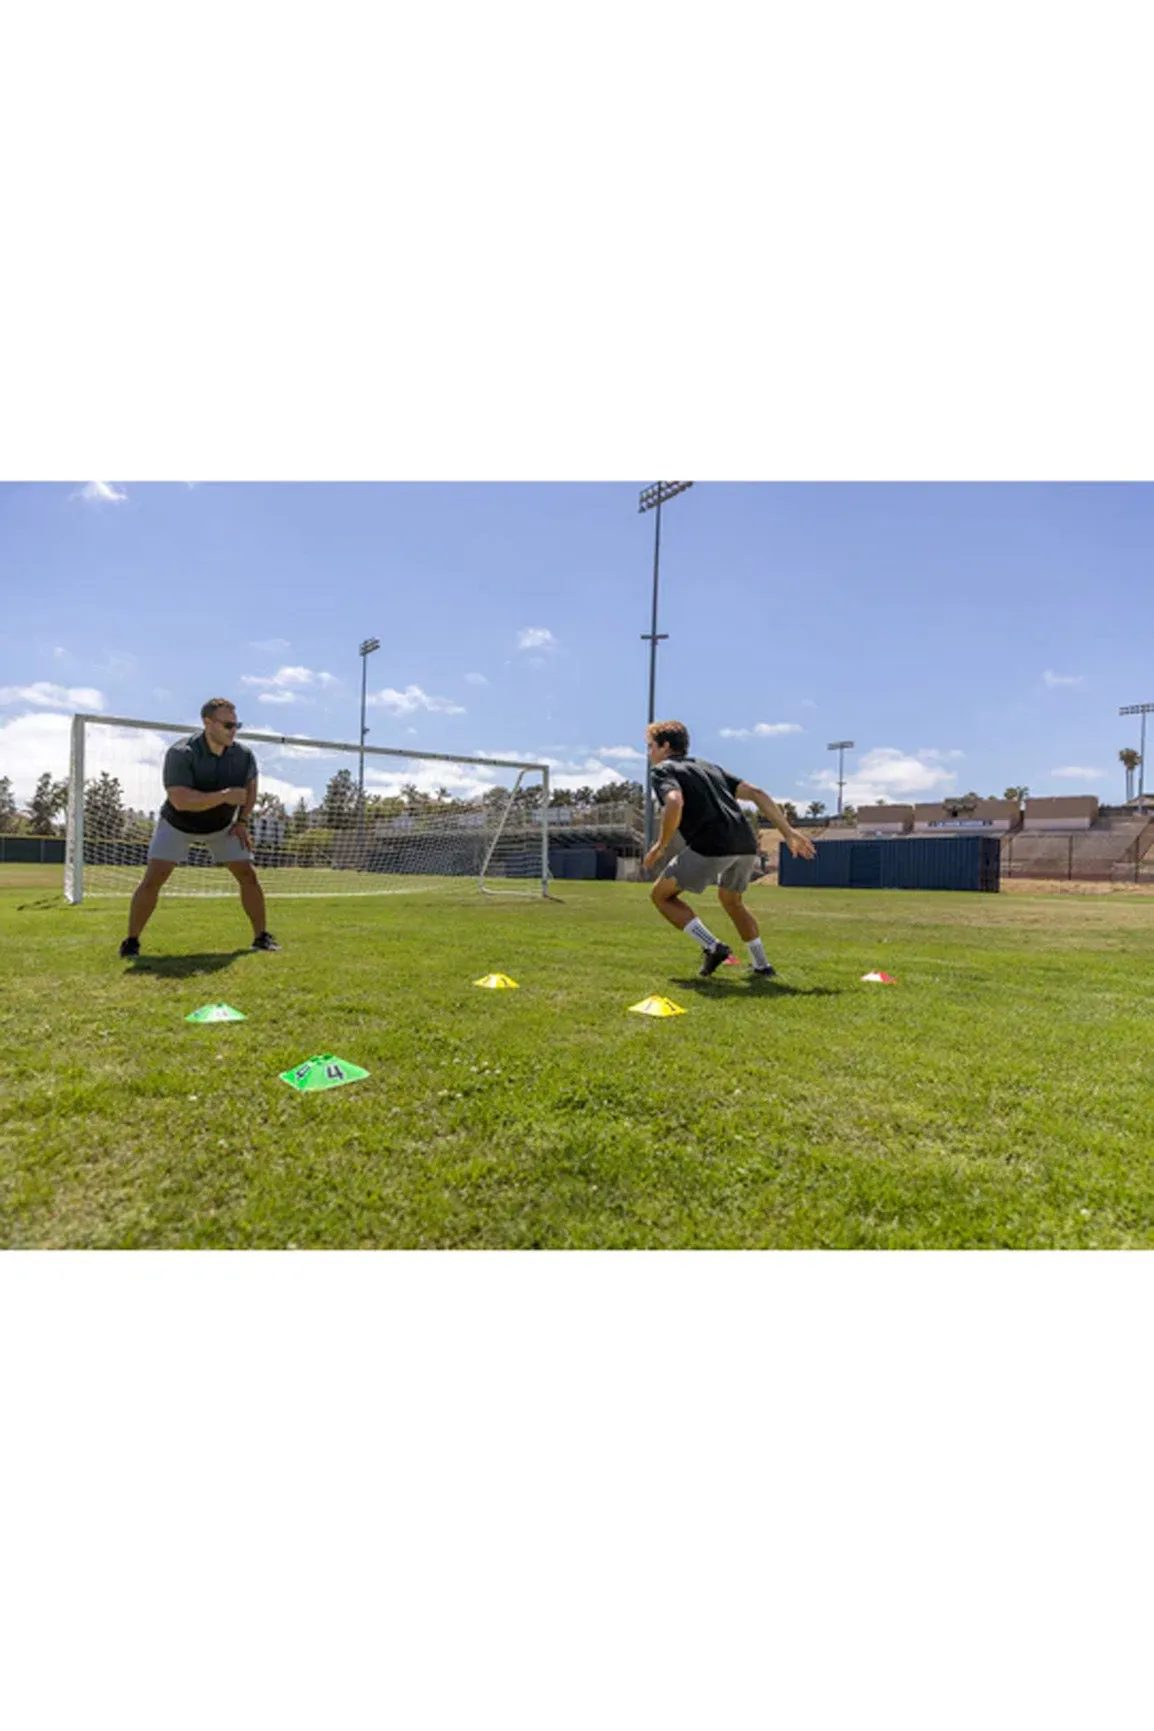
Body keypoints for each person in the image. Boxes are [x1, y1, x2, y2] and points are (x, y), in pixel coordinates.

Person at [642, 718, 816, 978]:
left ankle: (713, 947)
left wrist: (660, 844)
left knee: (661, 896)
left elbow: (674, 802)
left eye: (651, 746)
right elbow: (756, 792)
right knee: (731, 901)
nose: (649, 753)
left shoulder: (664, 770)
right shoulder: (709, 767)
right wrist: (787, 832)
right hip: (745, 843)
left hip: (712, 844)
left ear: (665, 746)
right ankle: (762, 966)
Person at [119, 697, 280, 958]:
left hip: (222, 827)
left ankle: (261, 937)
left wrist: (241, 821)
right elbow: (180, 800)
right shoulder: (181, 753)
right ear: (208, 723)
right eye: (228, 725)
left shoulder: (243, 755)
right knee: (153, 879)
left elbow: (250, 791)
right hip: (178, 824)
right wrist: (223, 796)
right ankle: (131, 942)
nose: (233, 731)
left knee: (248, 875)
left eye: (236, 725)